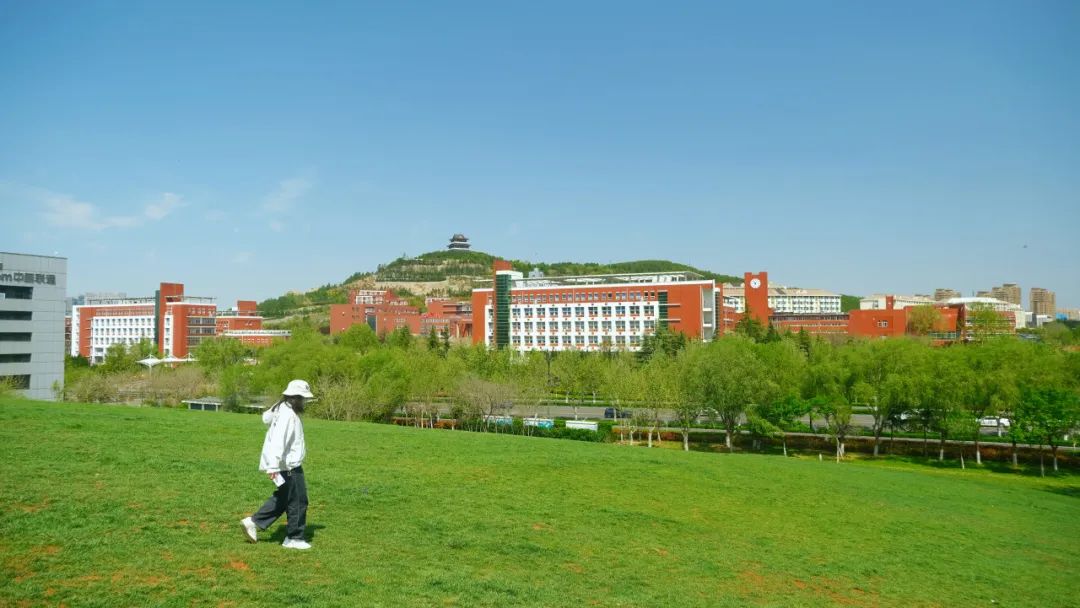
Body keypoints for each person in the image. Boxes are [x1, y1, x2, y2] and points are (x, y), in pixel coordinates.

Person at [241, 379, 313, 550]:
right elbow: (279, 441)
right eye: (302, 398)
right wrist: (273, 466)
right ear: (295, 397)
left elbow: (266, 419)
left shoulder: (281, 408)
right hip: (288, 466)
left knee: (283, 498)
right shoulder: (288, 415)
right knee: (298, 500)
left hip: (283, 464)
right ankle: (294, 538)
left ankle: (253, 522)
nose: (304, 402)